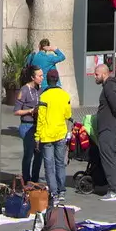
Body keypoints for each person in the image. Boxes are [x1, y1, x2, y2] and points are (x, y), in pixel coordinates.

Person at [36, 67, 72, 200]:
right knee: (60, 163)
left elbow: (41, 119)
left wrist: (37, 137)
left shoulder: (44, 96)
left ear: (47, 80)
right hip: (61, 133)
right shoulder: (65, 95)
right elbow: (68, 114)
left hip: (47, 136)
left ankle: (54, 192)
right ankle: (62, 190)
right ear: (57, 80)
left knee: (49, 165)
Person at [93, 57, 116, 201]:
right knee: (112, 157)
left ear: (104, 74)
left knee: (109, 158)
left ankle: (115, 189)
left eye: (96, 74)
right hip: (110, 127)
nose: (95, 77)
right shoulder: (112, 86)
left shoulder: (109, 87)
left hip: (108, 129)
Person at [14, 63, 43, 183]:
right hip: (27, 125)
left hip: (38, 125)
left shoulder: (40, 89)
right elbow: (16, 111)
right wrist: (30, 111)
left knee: (39, 154)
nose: (42, 78)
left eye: (42, 75)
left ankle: (35, 180)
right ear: (32, 77)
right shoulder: (24, 90)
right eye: (40, 76)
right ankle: (26, 179)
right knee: (29, 153)